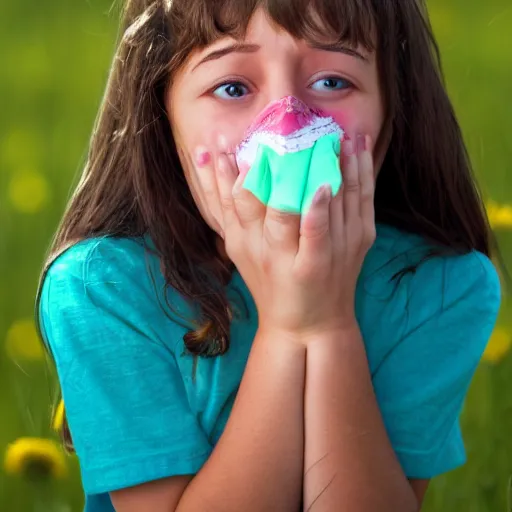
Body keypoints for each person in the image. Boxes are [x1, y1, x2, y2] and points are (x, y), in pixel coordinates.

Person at [36, 0, 502, 511]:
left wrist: (327, 326)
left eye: (331, 82)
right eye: (232, 88)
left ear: (390, 121)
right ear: (162, 120)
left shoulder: (439, 287)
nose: (285, 126)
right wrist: (287, 326)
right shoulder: (99, 290)